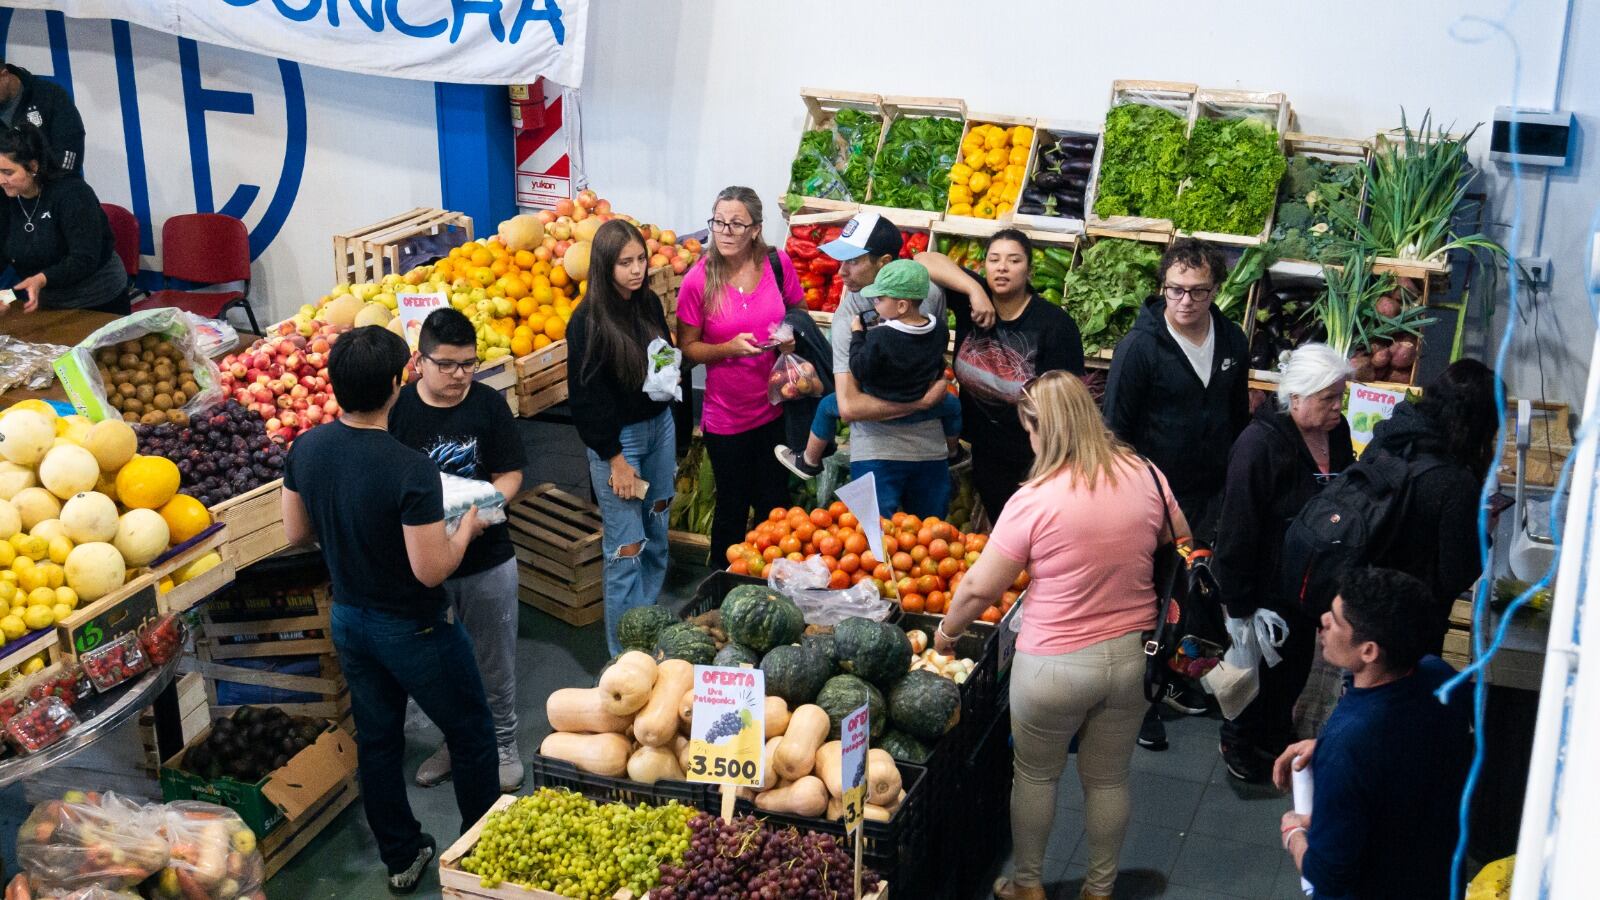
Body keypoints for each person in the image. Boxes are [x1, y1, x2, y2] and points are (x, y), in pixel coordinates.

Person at [936, 371, 1189, 900]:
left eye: (1029, 429)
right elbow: (1179, 539)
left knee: (1035, 777)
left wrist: (945, 634)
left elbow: (980, 588)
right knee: (1109, 779)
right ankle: (1099, 890)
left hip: (1052, 666)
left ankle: (1028, 884)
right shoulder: (1145, 473)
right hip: (1131, 658)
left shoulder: (1035, 499)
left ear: (1042, 428)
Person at [281, 326, 497, 895]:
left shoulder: (306, 447)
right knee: (472, 735)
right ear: (398, 383)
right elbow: (431, 569)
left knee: (378, 742)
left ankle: (401, 857)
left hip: (350, 619)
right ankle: (483, 859)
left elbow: (296, 532)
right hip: (414, 626)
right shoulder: (408, 468)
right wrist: (468, 525)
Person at [1103, 237, 1250, 747]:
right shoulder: (1139, 348)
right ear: (1163, 287)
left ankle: (1173, 677)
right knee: (1143, 598)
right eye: (1175, 291)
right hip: (1150, 498)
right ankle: (1135, 703)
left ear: (1215, 292)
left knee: (1186, 594)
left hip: (1208, 495)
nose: (1185, 302)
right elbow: (1115, 431)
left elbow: (1237, 419)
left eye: (1198, 292)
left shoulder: (1232, 341)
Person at [388, 308, 528, 793]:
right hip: (426, 566)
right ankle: (455, 742)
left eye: (467, 364)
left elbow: (510, 473)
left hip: (488, 558)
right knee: (440, 664)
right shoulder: (399, 411)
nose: (458, 375)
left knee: (494, 660)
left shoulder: (488, 405)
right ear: (418, 362)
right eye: (446, 364)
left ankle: (504, 743)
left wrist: (485, 506)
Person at [1274, 567, 1472, 900]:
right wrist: (1323, 747)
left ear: (1369, 651)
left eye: (1336, 621)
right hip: (1435, 875)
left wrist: (1294, 832)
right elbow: (1407, 754)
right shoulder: (1441, 678)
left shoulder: (1349, 747)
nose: (1323, 621)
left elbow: (1329, 876)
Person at [1213, 344, 1354, 783]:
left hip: (1309, 585)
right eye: (1326, 398)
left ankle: (1276, 736)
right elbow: (1237, 526)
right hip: (1266, 589)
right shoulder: (1258, 446)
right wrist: (1238, 605)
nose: (1337, 407)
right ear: (1295, 397)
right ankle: (1238, 741)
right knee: (1253, 676)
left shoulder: (1337, 431)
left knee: (1290, 672)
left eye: (1339, 396)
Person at [820, 211, 991, 518]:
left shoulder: (927, 293)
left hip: (930, 453)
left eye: (853, 261)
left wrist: (975, 290)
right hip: (874, 453)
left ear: (884, 263)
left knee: (927, 549)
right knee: (869, 549)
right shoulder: (849, 316)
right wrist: (923, 402)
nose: (841, 272)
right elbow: (849, 407)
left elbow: (926, 258)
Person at [920, 228, 1085, 519]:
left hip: (1036, 461)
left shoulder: (1054, 326)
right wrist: (974, 291)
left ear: (1029, 270)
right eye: (994, 259)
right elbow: (923, 259)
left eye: (1014, 261)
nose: (1002, 267)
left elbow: (1066, 406)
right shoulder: (972, 298)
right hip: (986, 452)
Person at [676, 186, 803, 556]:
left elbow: (799, 313)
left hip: (777, 410)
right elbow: (687, 350)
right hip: (727, 419)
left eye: (736, 223)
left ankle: (773, 586)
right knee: (731, 507)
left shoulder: (778, 265)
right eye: (718, 222)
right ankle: (722, 592)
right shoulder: (698, 280)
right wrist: (727, 349)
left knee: (775, 507)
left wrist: (790, 336)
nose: (725, 231)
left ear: (755, 229)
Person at [570, 219, 677, 656]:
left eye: (640, 260)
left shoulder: (647, 302)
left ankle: (645, 630)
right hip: (621, 443)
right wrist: (614, 459)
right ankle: (623, 656)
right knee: (626, 548)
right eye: (624, 263)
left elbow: (666, 357)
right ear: (604, 266)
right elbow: (586, 398)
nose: (636, 270)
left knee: (658, 531)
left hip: (660, 428)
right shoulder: (588, 321)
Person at [774, 259, 962, 478]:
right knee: (953, 406)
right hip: (922, 393)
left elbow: (860, 367)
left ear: (901, 306)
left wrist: (857, 335)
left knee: (826, 406)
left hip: (881, 396)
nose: (874, 304)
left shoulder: (880, 336)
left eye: (879, 299)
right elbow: (938, 361)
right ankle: (953, 452)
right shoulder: (939, 329)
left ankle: (809, 460)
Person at [1363, 358, 1498, 653]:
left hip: (1361, 609)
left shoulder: (1387, 440)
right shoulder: (1456, 483)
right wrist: (1483, 532)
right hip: (1412, 627)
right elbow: (1455, 576)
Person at [0, 125, 126, 315]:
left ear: (33, 167)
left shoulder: (72, 194)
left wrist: (41, 279)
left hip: (98, 299)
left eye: (8, 173)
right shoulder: (6, 197)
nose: (1, 180)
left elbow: (84, 257)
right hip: (47, 300)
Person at [0, 62, 84, 175]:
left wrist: (41, 188)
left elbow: (70, 150)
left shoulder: (49, 96)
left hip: (55, 186)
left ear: (4, 75)